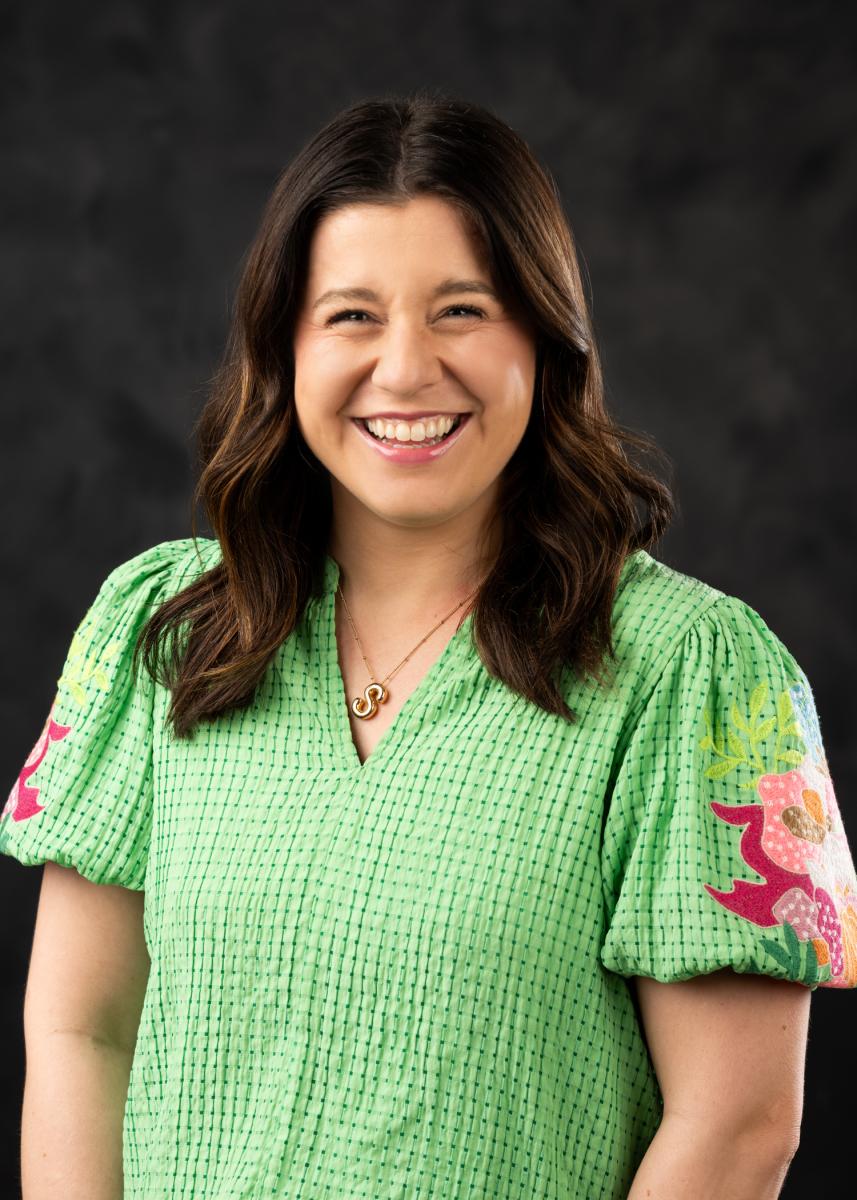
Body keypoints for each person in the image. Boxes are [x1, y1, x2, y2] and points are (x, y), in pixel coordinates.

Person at [3, 90, 855, 1200]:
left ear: (546, 341)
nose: (404, 371)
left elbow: (737, 1127)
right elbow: (80, 1032)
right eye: (350, 316)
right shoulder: (163, 630)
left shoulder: (694, 674)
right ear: (283, 349)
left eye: (461, 311)